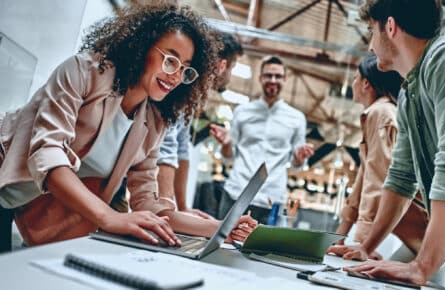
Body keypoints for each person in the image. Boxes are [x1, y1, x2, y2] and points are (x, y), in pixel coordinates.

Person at [0, 3, 254, 253]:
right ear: (142, 47)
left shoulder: (153, 122)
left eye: (185, 69)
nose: (176, 76)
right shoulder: (83, 72)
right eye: (170, 60)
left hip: (26, 203)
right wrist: (110, 217)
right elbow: (48, 154)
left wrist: (221, 228)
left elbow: (150, 205)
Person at [327, 1, 445, 288]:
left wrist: (421, 266)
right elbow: (401, 177)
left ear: (390, 26)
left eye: (371, 31)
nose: (371, 47)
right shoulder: (411, 94)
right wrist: (366, 245)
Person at [331, 54, 428, 260]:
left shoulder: (381, 113)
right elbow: (362, 180)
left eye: (356, 78)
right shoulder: (377, 113)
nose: (354, 83)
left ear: (366, 83)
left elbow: (378, 179)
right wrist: (338, 236)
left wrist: (363, 243)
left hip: (418, 228)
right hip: (411, 231)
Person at [210, 56, 314, 225]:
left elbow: (296, 166)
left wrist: (299, 157)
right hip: (236, 193)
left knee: (267, 249)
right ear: (260, 78)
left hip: (272, 199)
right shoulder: (242, 112)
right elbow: (228, 157)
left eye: (278, 76)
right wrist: (227, 144)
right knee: (221, 245)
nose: (273, 80)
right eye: (268, 75)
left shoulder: (297, 118)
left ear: (285, 79)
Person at [156, 32, 243, 220]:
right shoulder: (180, 87)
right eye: (233, 68)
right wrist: (169, 212)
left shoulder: (192, 95)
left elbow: (181, 148)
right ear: (222, 66)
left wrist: (182, 208)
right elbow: (167, 149)